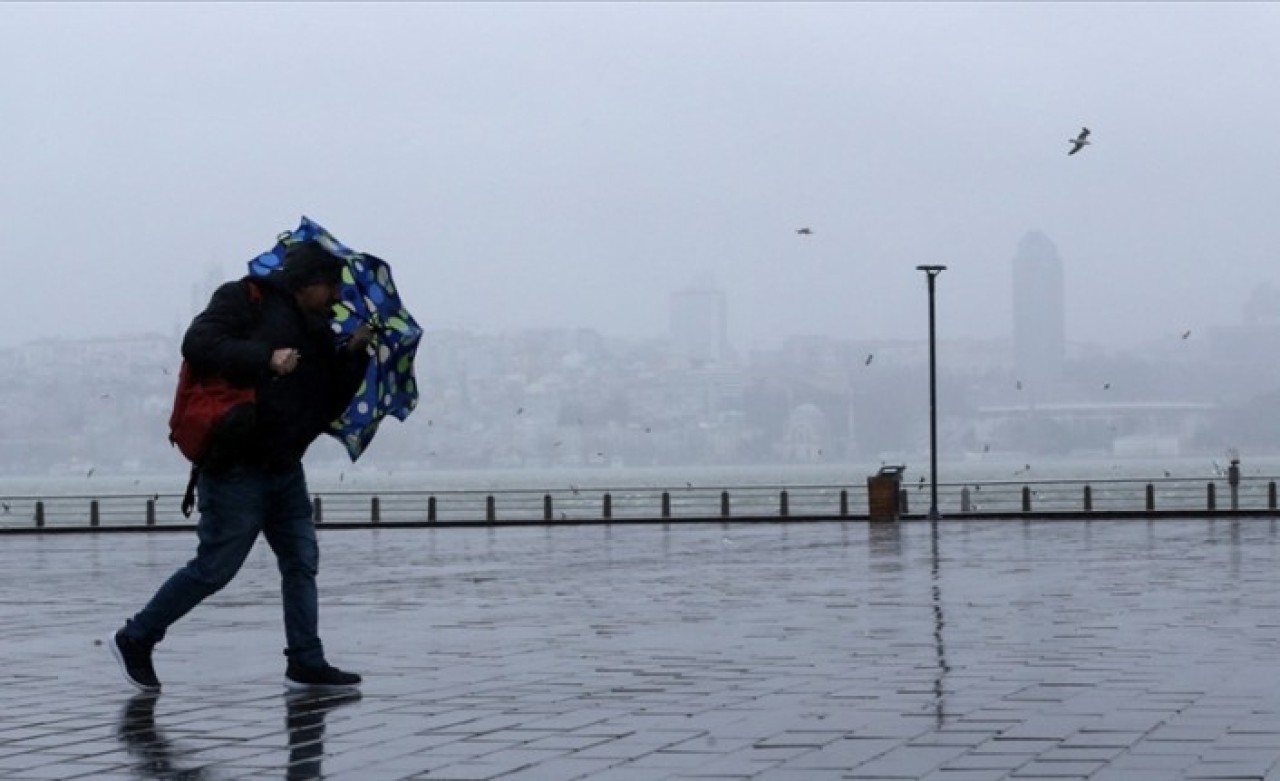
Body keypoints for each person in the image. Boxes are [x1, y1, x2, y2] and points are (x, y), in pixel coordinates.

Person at [110, 240, 371, 693]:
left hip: (285, 468)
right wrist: (266, 359)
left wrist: (353, 354)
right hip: (235, 466)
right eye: (331, 286)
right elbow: (198, 343)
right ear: (308, 283)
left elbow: (328, 405)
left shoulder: (319, 332)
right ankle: (137, 636)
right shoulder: (242, 298)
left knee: (301, 561)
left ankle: (306, 661)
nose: (336, 297)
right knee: (215, 568)